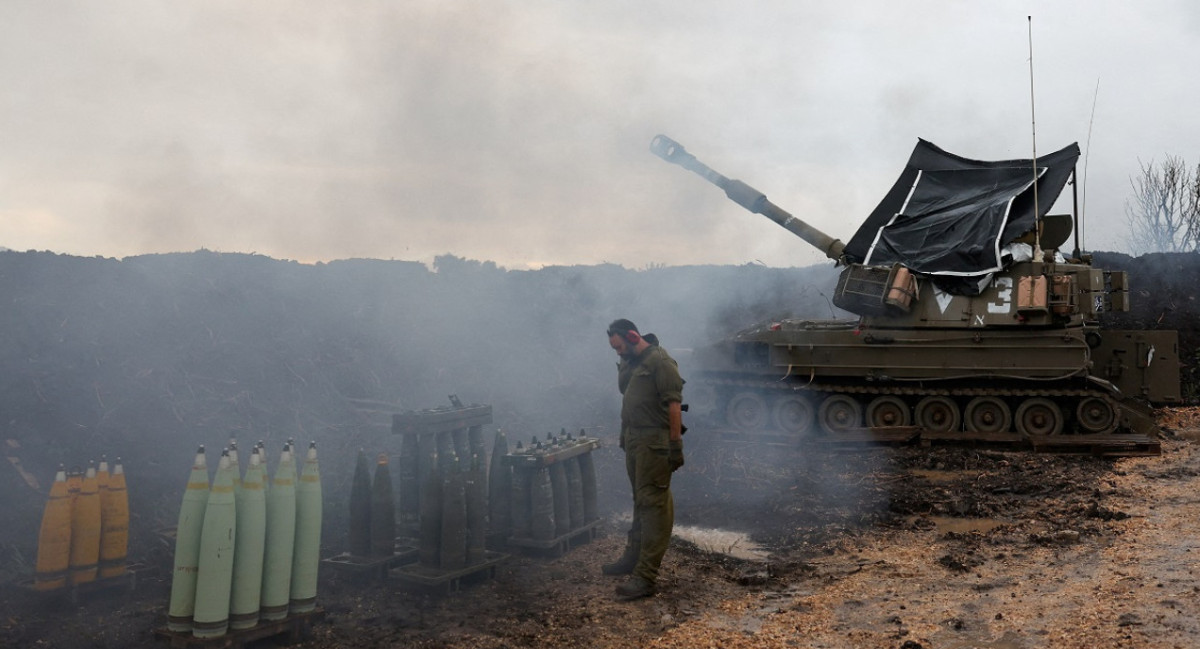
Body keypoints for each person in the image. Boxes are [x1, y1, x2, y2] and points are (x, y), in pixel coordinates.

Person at [602, 318, 684, 600]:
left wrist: (675, 446)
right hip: (636, 441)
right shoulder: (632, 361)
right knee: (640, 500)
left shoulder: (661, 363)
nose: (618, 352)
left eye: (620, 346)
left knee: (654, 507)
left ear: (634, 336)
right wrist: (625, 435)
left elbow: (674, 406)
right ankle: (632, 558)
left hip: (655, 444)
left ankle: (646, 576)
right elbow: (627, 395)